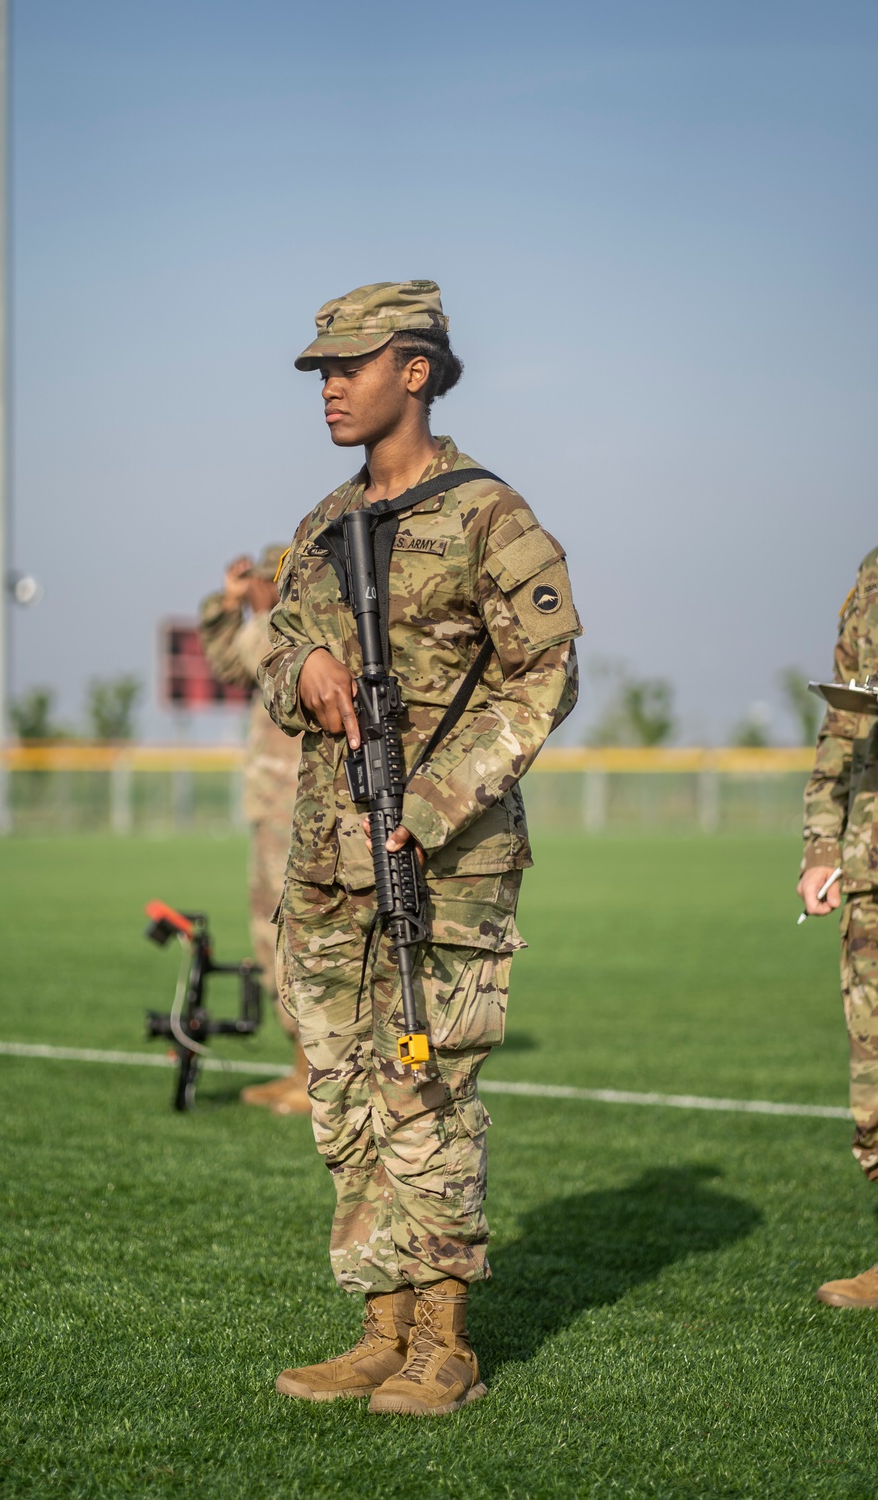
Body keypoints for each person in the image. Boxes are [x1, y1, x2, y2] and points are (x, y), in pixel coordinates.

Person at [259, 281, 582, 1414]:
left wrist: (436, 801)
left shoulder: (490, 513)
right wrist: (298, 669)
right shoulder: (318, 526)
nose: (331, 386)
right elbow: (275, 652)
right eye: (320, 370)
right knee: (345, 1095)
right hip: (324, 861)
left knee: (425, 1087)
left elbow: (547, 675)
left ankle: (444, 1340)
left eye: (349, 364)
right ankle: (378, 1325)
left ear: (418, 368)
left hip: (441, 862)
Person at [200, 545, 309, 1116]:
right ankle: (302, 1068)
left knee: (292, 939)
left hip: (296, 810)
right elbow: (227, 664)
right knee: (274, 940)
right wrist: (228, 605)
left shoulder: (291, 626)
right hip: (276, 810)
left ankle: (317, 1077)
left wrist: (251, 606)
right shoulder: (273, 628)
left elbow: (245, 657)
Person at [797, 545, 878, 1307]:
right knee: (875, 1082)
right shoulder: (872, 577)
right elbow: (844, 722)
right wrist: (822, 844)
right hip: (871, 864)